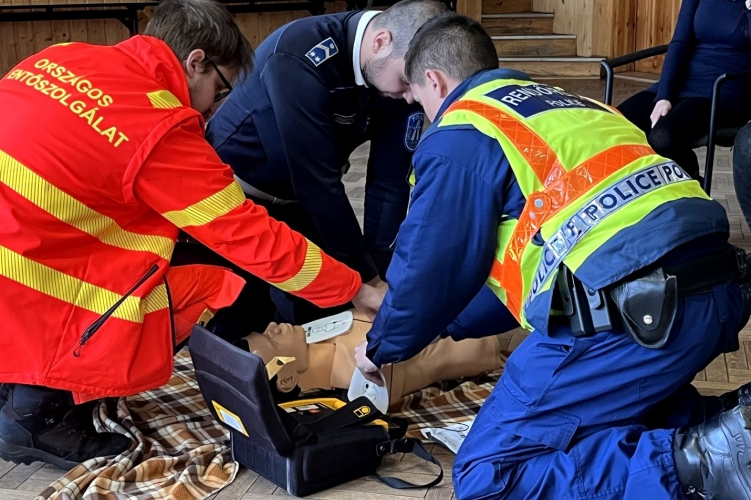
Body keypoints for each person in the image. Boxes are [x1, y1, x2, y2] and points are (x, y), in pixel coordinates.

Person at [354, 13, 751, 500]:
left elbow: (427, 267)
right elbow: (518, 277)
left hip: (636, 311)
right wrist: (440, 325)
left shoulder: (462, 128)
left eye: (415, 98)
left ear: (433, 81)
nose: (420, 112)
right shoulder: (575, 106)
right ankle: (732, 429)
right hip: (715, 291)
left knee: (489, 474)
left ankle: (702, 462)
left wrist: (380, 345)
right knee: (613, 417)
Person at [0, 0, 385, 470]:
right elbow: (249, 236)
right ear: (196, 61)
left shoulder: (63, 58)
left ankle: (13, 381)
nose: (213, 108)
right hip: (26, 271)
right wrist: (354, 289)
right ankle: (38, 413)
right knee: (207, 275)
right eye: (219, 90)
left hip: (22, 243)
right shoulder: (156, 121)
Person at [204, 0, 448, 332]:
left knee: (329, 309)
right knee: (245, 315)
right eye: (405, 80)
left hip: (298, 198)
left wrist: (379, 276)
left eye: (416, 86)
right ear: (380, 42)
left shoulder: (401, 81)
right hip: (236, 193)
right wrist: (366, 279)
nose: (409, 96)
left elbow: (389, 183)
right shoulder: (299, 53)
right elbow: (318, 184)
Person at [237, 309, 505, 406]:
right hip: (478, 331)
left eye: (265, 331)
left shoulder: (317, 336)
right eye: (272, 340)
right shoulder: (361, 374)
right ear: (286, 380)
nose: (272, 326)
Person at [617, 0, 751, 181]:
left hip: (727, 86)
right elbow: (680, 42)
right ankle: (651, 188)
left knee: (663, 137)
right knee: (618, 124)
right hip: (684, 80)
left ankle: (691, 178)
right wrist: (664, 95)